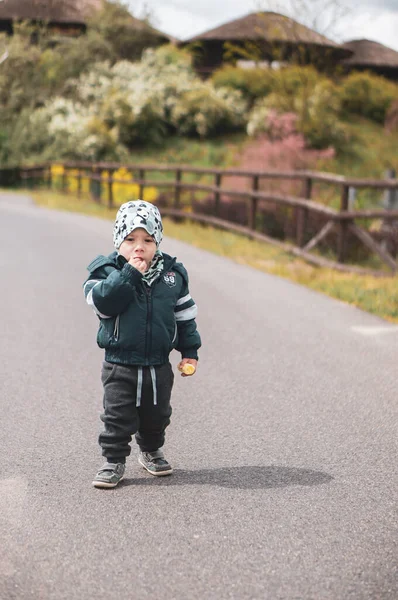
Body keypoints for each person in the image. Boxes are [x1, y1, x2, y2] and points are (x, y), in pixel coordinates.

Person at [83, 200, 201, 489]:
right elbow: (104, 303)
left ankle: (151, 450)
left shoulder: (172, 275)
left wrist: (190, 351)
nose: (139, 246)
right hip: (119, 363)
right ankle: (113, 460)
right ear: (118, 241)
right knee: (117, 414)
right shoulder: (106, 271)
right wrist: (129, 275)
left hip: (158, 364)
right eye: (130, 239)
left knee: (157, 414)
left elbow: (184, 316)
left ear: (157, 242)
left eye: (148, 240)